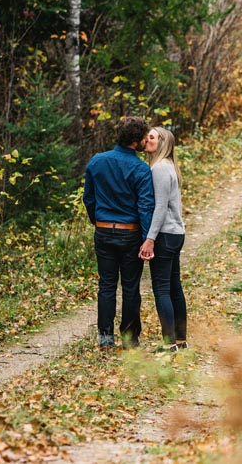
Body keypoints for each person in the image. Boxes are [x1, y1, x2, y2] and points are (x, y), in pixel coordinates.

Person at [83, 116, 154, 349]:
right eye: (144, 137)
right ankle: (130, 339)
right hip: (130, 233)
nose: (147, 140)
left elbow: (89, 198)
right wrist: (147, 238)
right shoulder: (142, 170)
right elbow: (144, 207)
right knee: (130, 287)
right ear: (135, 141)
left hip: (103, 232)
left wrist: (98, 220)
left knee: (106, 285)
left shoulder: (96, 162)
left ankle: (105, 337)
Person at [138, 127, 188, 353]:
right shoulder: (170, 167)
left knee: (162, 289)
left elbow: (160, 208)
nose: (147, 140)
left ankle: (169, 344)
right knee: (175, 287)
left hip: (165, 235)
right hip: (176, 233)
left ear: (162, 143)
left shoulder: (158, 169)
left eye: (152, 137)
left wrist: (149, 239)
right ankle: (180, 340)